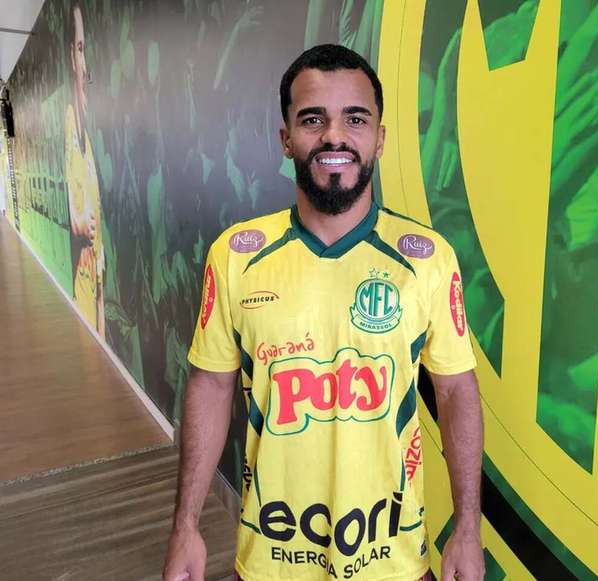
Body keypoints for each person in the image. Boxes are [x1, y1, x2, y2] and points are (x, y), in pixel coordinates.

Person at [163, 44, 485, 581]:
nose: (334, 136)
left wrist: (468, 529)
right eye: (313, 119)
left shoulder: (427, 259)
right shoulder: (236, 255)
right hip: (272, 561)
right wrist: (185, 526)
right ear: (286, 138)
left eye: (355, 119)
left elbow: (456, 392)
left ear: (379, 138)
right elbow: (212, 387)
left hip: (394, 561)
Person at [65, 0, 105, 338]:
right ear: (70, 57)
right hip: (83, 287)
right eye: (79, 49)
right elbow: (77, 218)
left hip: (97, 287)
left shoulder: (88, 143)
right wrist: (81, 223)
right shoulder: (68, 124)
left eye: (86, 49)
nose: (85, 63)